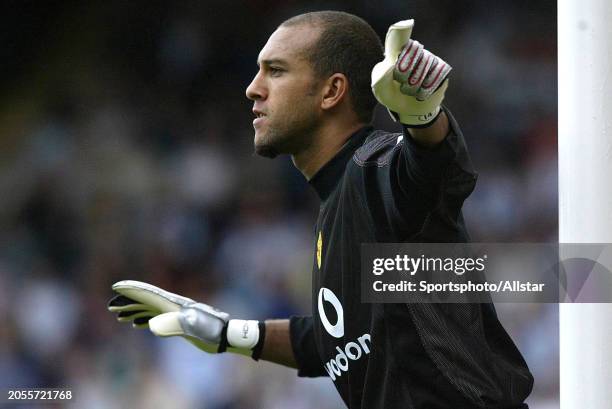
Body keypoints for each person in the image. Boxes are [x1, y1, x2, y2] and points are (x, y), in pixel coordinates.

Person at [108, 11, 533, 409]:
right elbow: (335, 338)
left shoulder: (373, 170)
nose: (253, 88)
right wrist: (226, 333)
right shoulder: (339, 204)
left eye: (275, 70)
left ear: (331, 91)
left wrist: (421, 115)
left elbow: (436, 170)